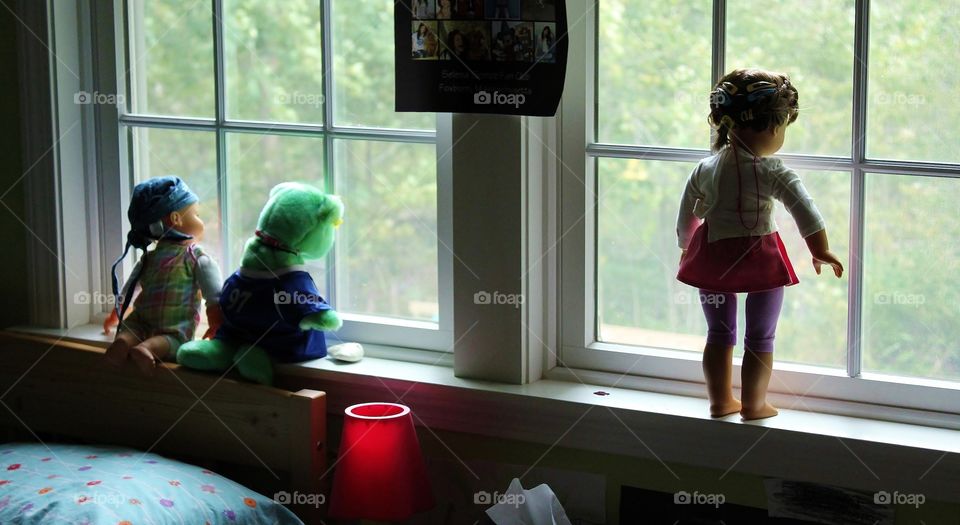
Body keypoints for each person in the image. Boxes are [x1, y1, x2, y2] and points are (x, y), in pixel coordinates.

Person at [676, 68, 844, 420]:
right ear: (771, 127)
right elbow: (805, 209)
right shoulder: (771, 172)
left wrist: (686, 245)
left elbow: (687, 214)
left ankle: (720, 401)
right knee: (760, 336)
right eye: (782, 126)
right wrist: (819, 248)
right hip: (759, 258)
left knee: (719, 332)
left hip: (712, 259)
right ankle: (753, 404)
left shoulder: (705, 168)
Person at [103, 176, 223, 376]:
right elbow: (214, 293)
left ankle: (123, 342)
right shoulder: (195, 256)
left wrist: (116, 314)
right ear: (176, 219)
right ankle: (147, 349)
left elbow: (129, 289)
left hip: (142, 318)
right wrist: (215, 321)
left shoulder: (148, 258)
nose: (201, 220)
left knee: (132, 330)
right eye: (197, 214)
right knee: (174, 341)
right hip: (173, 325)